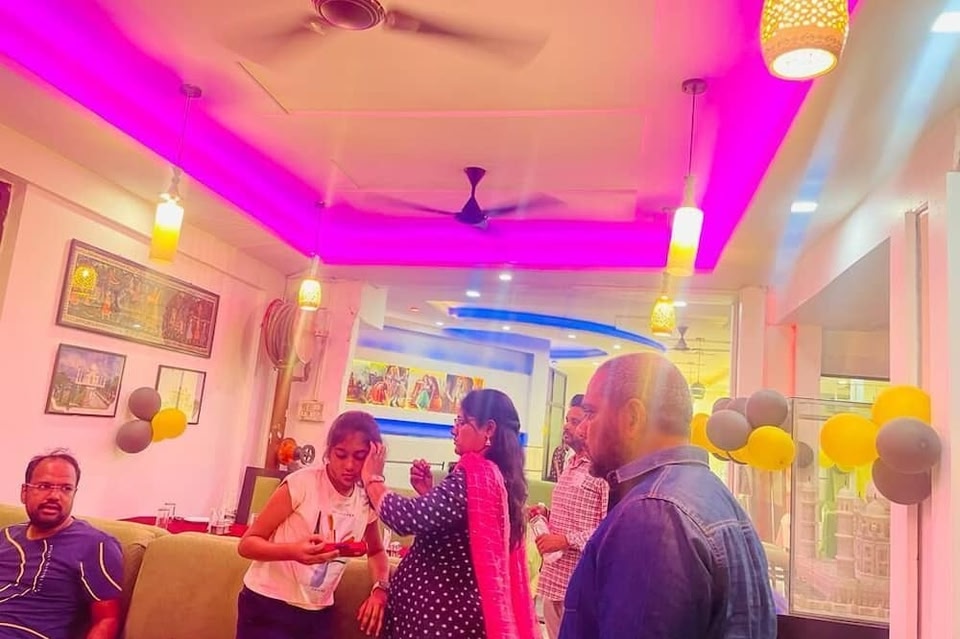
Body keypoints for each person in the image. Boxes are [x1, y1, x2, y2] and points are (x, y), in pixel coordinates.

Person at [560, 353, 777, 639]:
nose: (581, 429)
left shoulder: (654, 514)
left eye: (591, 413)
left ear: (632, 418)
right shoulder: (710, 492)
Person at [361, 388, 539, 639]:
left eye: (462, 422)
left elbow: (404, 519)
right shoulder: (496, 478)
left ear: (489, 429)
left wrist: (372, 479)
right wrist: (429, 493)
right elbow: (462, 536)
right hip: (448, 617)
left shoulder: (474, 477)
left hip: (439, 620)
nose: (453, 430)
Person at [237, 411, 391, 639]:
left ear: (373, 457)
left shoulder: (366, 497)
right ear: (328, 452)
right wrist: (293, 551)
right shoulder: (302, 483)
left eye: (360, 457)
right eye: (341, 455)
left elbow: (376, 551)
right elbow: (247, 544)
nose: (349, 465)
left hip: (317, 611)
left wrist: (380, 589)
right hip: (268, 604)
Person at [0, 450, 124, 639]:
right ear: (24, 492)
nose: (55, 496)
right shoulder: (6, 536)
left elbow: (107, 619)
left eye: (66, 488)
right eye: (44, 486)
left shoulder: (96, 545)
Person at [530, 393, 608, 639]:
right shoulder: (569, 463)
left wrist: (565, 540)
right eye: (567, 420)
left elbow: (609, 530)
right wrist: (546, 514)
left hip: (579, 586)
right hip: (553, 580)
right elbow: (574, 517)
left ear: (590, 426)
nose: (566, 426)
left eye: (574, 421)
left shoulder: (603, 470)